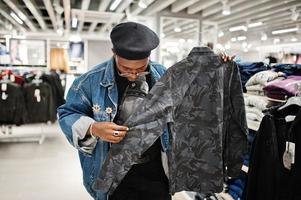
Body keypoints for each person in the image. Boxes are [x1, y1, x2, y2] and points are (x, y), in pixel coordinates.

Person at [58, 21, 233, 200]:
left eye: (141, 69)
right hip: (114, 176)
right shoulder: (90, 81)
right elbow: (67, 114)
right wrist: (93, 128)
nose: (133, 75)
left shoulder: (163, 75)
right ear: (114, 53)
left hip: (156, 171)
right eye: (125, 69)